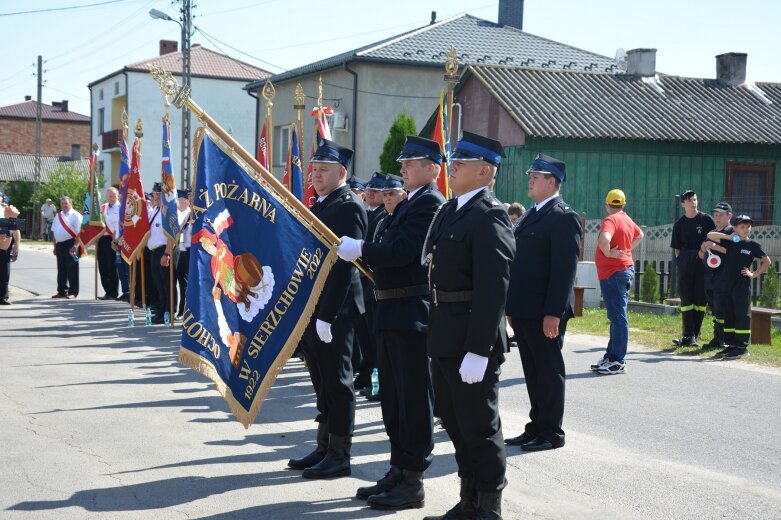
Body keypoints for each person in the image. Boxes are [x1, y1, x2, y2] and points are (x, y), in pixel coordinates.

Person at [338, 136, 445, 511]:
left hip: (410, 314)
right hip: (390, 312)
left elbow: (404, 253)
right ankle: (398, 468)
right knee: (394, 401)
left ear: (432, 168)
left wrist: (362, 249)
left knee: (413, 400)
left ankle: (413, 479)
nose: (402, 168)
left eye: (411, 163)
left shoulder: (429, 203)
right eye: (403, 163)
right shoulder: (406, 204)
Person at [421, 132, 515, 520]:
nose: (453, 165)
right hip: (444, 331)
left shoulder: (490, 215)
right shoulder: (449, 210)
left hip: (470, 340)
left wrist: (478, 349)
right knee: (456, 423)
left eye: (462, 161)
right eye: (454, 159)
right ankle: (469, 499)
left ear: (485, 171)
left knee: (479, 426)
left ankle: (489, 508)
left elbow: (494, 289)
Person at [287, 139, 367, 479]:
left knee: (338, 381)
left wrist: (327, 315)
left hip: (337, 312)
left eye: (323, 170)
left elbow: (344, 267)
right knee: (320, 380)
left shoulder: (347, 206)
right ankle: (324, 445)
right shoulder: (320, 204)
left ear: (342, 173)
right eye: (314, 169)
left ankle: (340, 452)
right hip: (314, 309)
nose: (315, 174)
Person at [505, 153, 581, 452]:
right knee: (532, 371)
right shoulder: (532, 214)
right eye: (531, 176)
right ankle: (535, 425)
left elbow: (564, 271)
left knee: (548, 372)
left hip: (544, 312)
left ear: (552, 181)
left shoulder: (563, 216)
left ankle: (551, 432)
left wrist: (553, 313)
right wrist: (512, 308)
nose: (530, 180)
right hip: (525, 310)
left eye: (536, 176)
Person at [591, 189, 644, 375]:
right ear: (623, 204)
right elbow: (640, 235)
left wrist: (608, 252)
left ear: (607, 204)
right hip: (623, 271)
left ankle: (617, 360)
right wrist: (626, 249)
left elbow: (604, 238)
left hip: (613, 273)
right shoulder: (627, 219)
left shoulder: (610, 220)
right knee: (616, 316)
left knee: (618, 318)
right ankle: (611, 355)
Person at [707, 215, 771, 360]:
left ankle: (742, 347)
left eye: (748, 226)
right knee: (729, 313)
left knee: (742, 314)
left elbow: (767, 261)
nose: (746, 229)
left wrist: (753, 274)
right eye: (742, 226)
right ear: (734, 228)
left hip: (741, 286)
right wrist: (729, 237)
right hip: (727, 284)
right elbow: (710, 235)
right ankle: (731, 345)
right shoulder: (731, 242)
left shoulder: (753, 245)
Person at [353, 172, 388, 392]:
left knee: (375, 338)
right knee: (365, 336)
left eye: (377, 189)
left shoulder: (384, 215)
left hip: (373, 282)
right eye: (370, 188)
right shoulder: (367, 213)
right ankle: (366, 374)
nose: (371, 192)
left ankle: (375, 380)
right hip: (363, 282)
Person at [670, 190, 715, 347]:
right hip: (685, 262)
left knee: (700, 299)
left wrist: (704, 254)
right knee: (687, 299)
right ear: (683, 204)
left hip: (702, 262)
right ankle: (688, 335)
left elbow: (715, 240)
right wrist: (681, 260)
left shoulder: (706, 220)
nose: (693, 202)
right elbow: (676, 248)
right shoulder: (679, 224)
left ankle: (694, 335)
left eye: (695, 199)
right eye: (689, 200)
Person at [699, 202, 733, 349]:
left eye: (721, 215)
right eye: (716, 214)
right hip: (710, 276)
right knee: (714, 307)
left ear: (729, 216)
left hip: (724, 276)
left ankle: (725, 339)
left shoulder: (732, 231)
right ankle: (717, 338)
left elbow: (733, 253)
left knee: (722, 307)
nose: (717, 217)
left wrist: (714, 246)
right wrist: (702, 250)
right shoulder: (712, 231)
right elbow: (702, 256)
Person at [145, 183, 175, 324]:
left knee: (166, 284)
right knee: (158, 284)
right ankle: (161, 310)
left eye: (157, 194)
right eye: (154, 194)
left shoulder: (168, 212)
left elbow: (172, 236)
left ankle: (169, 312)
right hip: (154, 252)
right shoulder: (155, 210)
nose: (154, 197)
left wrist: (167, 254)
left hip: (164, 251)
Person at [50, 196, 82, 299]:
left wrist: (76, 246)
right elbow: (54, 231)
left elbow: (80, 233)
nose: (64, 205)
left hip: (71, 244)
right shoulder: (58, 216)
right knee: (61, 269)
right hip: (60, 245)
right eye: (62, 203)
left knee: (72, 269)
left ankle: (73, 292)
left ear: (71, 204)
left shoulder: (76, 215)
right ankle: (62, 291)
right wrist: (55, 246)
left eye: (66, 203)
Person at [97, 187, 120, 300]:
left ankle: (113, 292)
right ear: (106, 197)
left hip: (113, 239)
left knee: (112, 267)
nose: (111, 198)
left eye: (113, 196)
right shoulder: (103, 208)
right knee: (102, 266)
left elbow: (119, 226)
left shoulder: (121, 208)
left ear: (117, 196)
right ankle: (107, 291)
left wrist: (115, 240)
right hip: (102, 239)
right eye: (110, 196)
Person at [0, 192, 21, 305]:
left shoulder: (8, 211)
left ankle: (2, 297)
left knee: (4, 272)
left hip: (6, 245)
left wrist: (17, 245)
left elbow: (16, 229)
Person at [175, 189, 192, 318]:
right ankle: (182, 309)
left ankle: (187, 311)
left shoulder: (200, 214)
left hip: (194, 252)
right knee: (182, 281)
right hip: (184, 251)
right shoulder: (188, 215)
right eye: (190, 197)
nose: (191, 200)